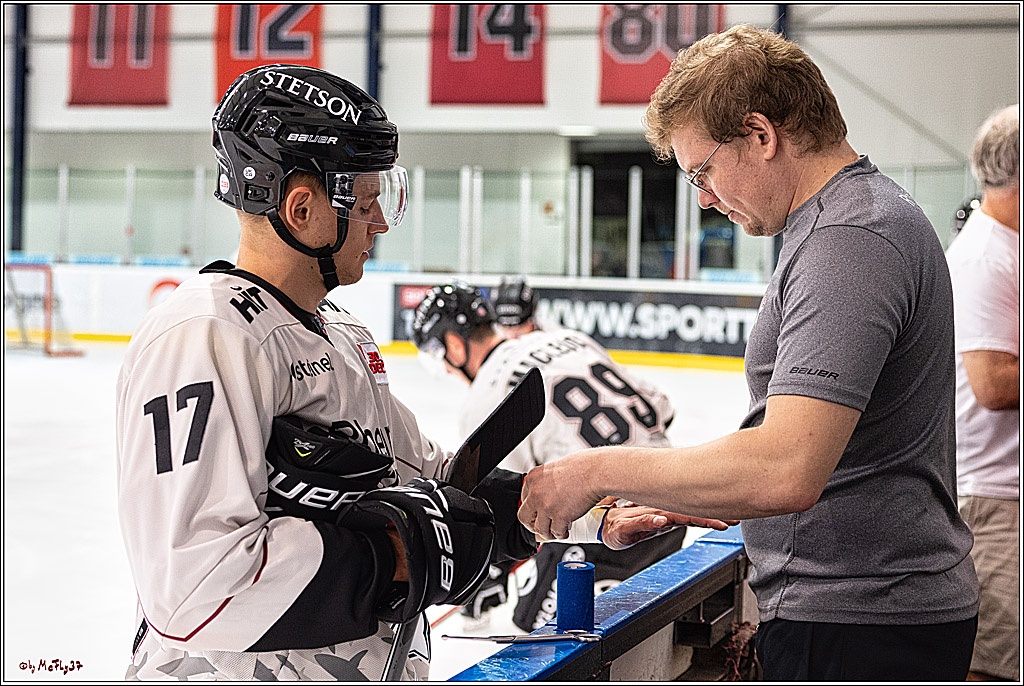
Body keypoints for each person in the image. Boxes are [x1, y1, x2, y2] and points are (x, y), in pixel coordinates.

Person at [116, 65, 708, 682]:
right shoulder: (203, 337)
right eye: (368, 202)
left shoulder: (341, 335)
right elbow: (195, 586)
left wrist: (591, 513)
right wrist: (398, 555)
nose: (381, 222)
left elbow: (435, 478)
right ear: (300, 207)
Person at [517, 24, 980, 681]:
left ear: (761, 135)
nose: (704, 199)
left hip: (860, 624)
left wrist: (594, 471)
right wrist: (689, 497)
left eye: (703, 171)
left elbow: (787, 469)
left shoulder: (849, 239)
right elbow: (844, 455)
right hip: (869, 613)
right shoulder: (848, 221)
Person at [411, 282, 700, 633]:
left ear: (454, 345)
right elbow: (661, 408)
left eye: (438, 354)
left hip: (603, 531)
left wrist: (494, 569)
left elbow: (520, 506)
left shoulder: (482, 401)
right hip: (669, 504)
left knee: (537, 641)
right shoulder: (570, 339)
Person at [945, 104, 1019, 682]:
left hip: (1004, 497)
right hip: (995, 502)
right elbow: (992, 384)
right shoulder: (984, 258)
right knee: (992, 668)